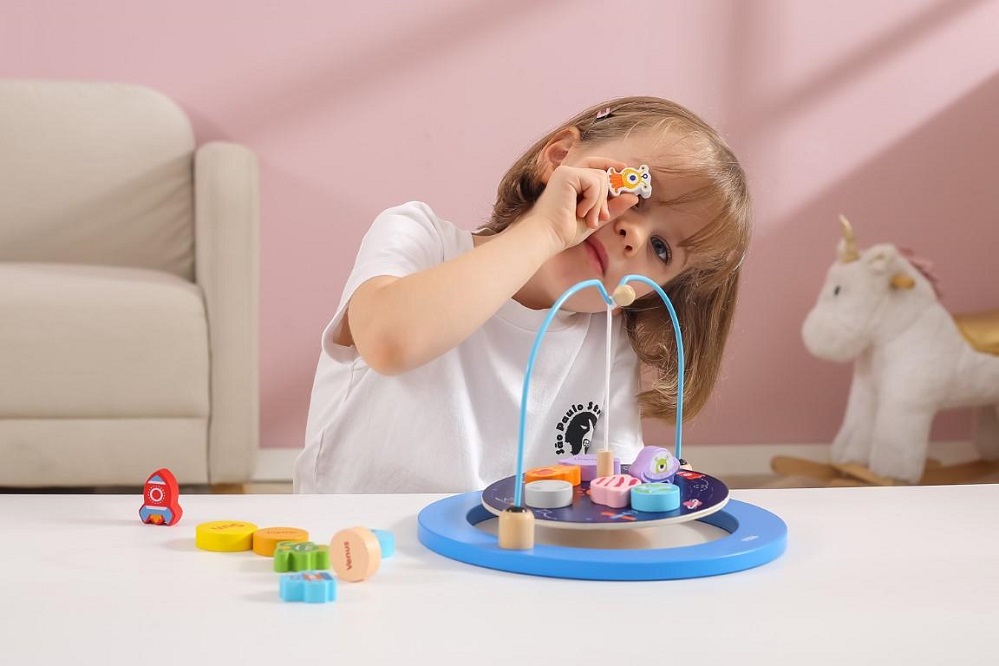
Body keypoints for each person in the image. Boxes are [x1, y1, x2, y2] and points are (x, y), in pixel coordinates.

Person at [294, 96, 751, 494]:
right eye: (632, 189)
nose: (633, 233)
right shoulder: (419, 237)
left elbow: (609, 488)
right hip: (352, 546)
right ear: (558, 158)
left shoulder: (610, 343)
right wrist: (544, 231)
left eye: (660, 248)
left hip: (497, 562)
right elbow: (390, 342)